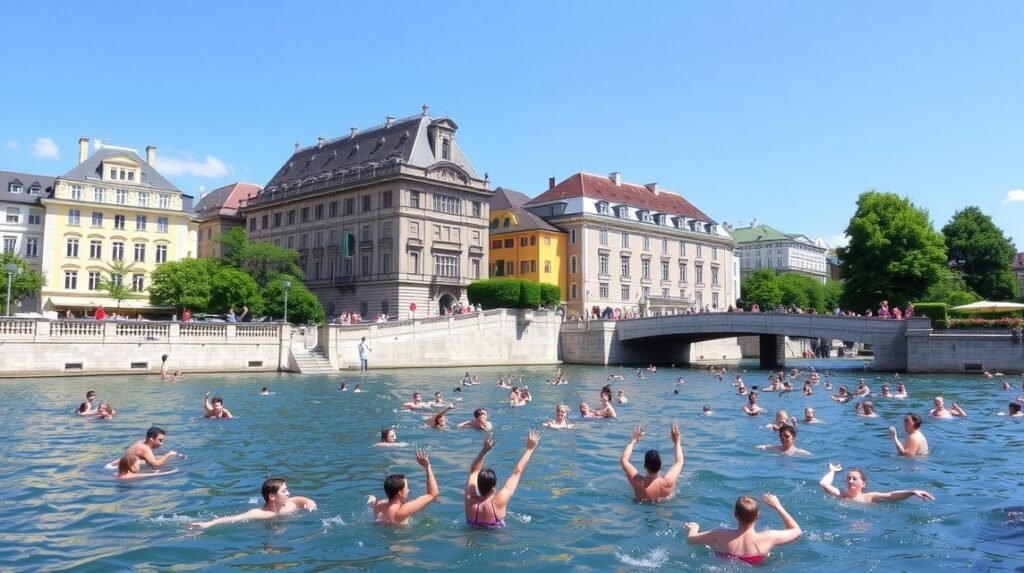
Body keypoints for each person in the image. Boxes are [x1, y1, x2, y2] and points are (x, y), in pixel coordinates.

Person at [684, 493, 802, 565]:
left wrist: (694, 528)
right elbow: (797, 531)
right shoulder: (769, 537)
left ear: (735, 514)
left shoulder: (720, 534)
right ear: (758, 515)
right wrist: (778, 507)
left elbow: (691, 540)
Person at [464, 431, 540, 528]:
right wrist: (530, 449)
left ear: (477, 485)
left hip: (472, 533)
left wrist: (484, 451)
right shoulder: (499, 501)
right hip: (495, 538)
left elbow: (474, 471)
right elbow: (517, 472)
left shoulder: (470, 499)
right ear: (493, 488)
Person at [190, 478, 317, 530]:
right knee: (277, 532)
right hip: (268, 527)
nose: (288, 493)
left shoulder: (289, 504)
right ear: (272, 496)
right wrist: (208, 524)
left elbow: (303, 500)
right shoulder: (262, 514)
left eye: (287, 490)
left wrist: (310, 504)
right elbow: (234, 518)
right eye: (284, 491)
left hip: (281, 521)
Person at [367, 450, 439, 526]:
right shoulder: (401, 511)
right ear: (399, 493)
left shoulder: (378, 506)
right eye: (406, 488)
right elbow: (433, 494)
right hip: (401, 537)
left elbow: (375, 502)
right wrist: (427, 468)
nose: (408, 490)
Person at [620, 423, 684, 502]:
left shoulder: (638, 482)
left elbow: (624, 460)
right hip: (665, 509)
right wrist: (677, 442)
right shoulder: (668, 481)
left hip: (642, 509)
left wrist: (633, 441)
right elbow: (679, 462)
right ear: (661, 465)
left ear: (644, 465)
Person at [819, 463, 934, 503]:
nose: (850, 481)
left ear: (863, 484)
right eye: (848, 478)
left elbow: (890, 496)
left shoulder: (869, 498)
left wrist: (912, 492)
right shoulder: (841, 495)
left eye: (855, 479)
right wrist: (832, 471)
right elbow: (823, 483)